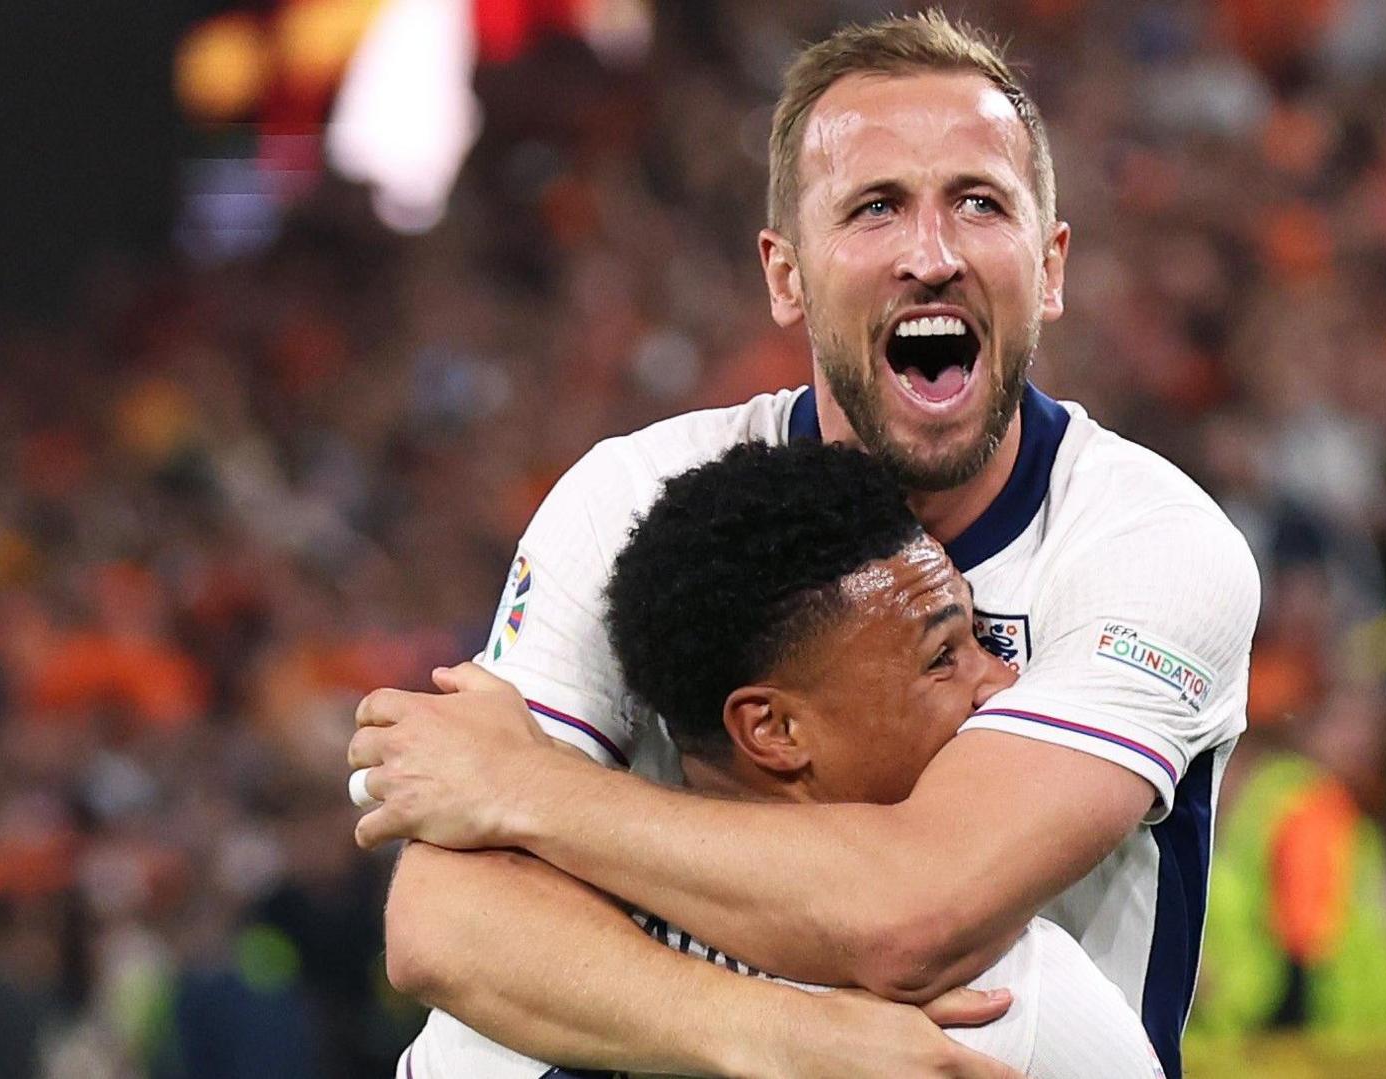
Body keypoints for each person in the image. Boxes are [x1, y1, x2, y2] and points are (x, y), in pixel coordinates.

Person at [348, 11, 1259, 1078]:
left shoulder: (1149, 544)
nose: (933, 254)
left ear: (1050, 267)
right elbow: (442, 923)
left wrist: (529, 789)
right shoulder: (628, 499)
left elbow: (919, 909)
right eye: (876, 206)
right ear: (786, 275)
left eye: (979, 202)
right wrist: (786, 1037)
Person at [400, 441, 1162, 1077]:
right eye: (943, 657)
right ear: (773, 730)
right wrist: (795, 1035)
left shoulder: (518, 989)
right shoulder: (1001, 1012)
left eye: (979, 639)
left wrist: (529, 781)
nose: (1002, 683)